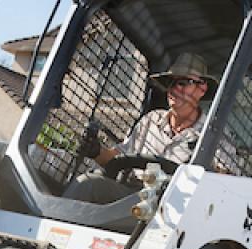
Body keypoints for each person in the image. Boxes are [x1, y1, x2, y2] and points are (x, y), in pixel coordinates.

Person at [63, 52, 221, 204]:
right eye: (170, 83)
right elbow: (117, 158)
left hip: (174, 210)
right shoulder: (151, 120)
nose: (173, 90)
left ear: (202, 88)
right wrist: (96, 151)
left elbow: (227, 181)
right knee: (88, 183)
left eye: (182, 83)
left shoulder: (213, 134)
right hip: (132, 197)